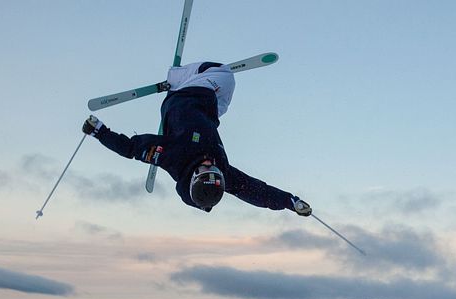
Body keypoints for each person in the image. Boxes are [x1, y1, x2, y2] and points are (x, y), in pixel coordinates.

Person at [82, 61, 311, 216]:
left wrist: (100, 132)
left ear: (193, 177)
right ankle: (188, 82)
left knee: (224, 75)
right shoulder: (221, 171)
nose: (210, 164)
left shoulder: (174, 157)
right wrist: (289, 202)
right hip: (209, 109)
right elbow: (254, 191)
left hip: (185, 95)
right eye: (216, 171)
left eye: (204, 170)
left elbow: (131, 148)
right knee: (221, 103)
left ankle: (176, 76)